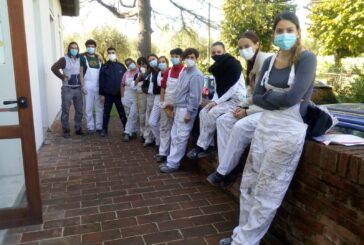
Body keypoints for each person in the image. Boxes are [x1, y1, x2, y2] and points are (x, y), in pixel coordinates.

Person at [219, 11, 317, 245]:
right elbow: (258, 95)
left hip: (287, 132)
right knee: (249, 184)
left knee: (268, 191)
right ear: (273, 35)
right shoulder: (270, 61)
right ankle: (240, 234)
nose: (284, 35)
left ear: (298, 32)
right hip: (265, 127)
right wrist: (273, 98)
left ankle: (244, 242)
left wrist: (268, 98)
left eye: (289, 30)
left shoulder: (306, 59)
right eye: (279, 31)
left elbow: (291, 99)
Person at [207, 31, 270, 187]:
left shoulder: (267, 61)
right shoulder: (250, 64)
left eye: (247, 46)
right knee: (223, 121)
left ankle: (223, 171)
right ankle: (226, 167)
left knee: (240, 127)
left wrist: (247, 111)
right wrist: (242, 106)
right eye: (240, 48)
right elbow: (252, 93)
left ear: (257, 44)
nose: (243, 50)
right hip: (254, 106)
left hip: (269, 109)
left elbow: (270, 97)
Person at [187, 42, 246, 159]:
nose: (216, 54)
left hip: (236, 99)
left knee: (213, 113)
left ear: (224, 51)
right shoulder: (218, 68)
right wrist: (212, 102)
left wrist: (216, 103)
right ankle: (210, 145)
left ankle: (201, 146)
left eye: (219, 52)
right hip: (224, 99)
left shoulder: (233, 66)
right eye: (213, 53)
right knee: (204, 111)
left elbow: (232, 90)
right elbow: (218, 89)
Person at [159, 48, 204, 173]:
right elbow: (179, 91)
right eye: (187, 57)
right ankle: (171, 160)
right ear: (183, 59)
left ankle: (173, 164)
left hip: (187, 110)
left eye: (192, 57)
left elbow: (194, 97)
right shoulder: (184, 71)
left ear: (196, 58)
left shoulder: (196, 75)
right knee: (174, 135)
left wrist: (189, 113)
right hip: (179, 108)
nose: (190, 60)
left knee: (181, 136)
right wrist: (175, 107)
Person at [155, 48, 184, 163]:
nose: (174, 58)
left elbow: (183, 90)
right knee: (164, 127)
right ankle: (163, 153)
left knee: (175, 130)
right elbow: (163, 87)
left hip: (177, 105)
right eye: (172, 56)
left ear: (181, 58)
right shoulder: (168, 71)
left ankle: (172, 155)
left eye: (176, 56)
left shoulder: (184, 71)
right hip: (166, 103)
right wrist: (162, 102)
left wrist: (174, 104)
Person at [51, 41, 84, 138]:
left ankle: (78, 129)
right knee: (65, 110)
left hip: (77, 88)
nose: (74, 50)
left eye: (76, 48)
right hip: (67, 89)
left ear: (78, 50)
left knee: (79, 110)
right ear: (69, 49)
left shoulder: (80, 59)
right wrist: (62, 76)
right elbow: (54, 68)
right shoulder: (64, 59)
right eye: (72, 48)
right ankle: (66, 130)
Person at [99, 47, 127, 137]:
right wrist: (102, 94)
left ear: (116, 53)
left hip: (119, 94)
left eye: (113, 52)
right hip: (108, 94)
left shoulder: (121, 66)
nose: (111, 54)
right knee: (106, 113)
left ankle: (126, 128)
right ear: (107, 54)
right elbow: (101, 81)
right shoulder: (104, 67)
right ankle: (104, 129)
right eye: (109, 52)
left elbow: (125, 80)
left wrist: (124, 94)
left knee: (122, 112)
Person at [80, 39, 103, 134]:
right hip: (88, 85)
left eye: (92, 46)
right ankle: (90, 127)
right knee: (88, 107)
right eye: (89, 46)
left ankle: (99, 126)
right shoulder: (83, 58)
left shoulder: (99, 59)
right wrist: (82, 86)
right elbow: (80, 73)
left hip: (98, 86)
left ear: (95, 47)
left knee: (100, 107)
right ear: (86, 47)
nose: (91, 48)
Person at [148, 56, 169, 148]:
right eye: (159, 62)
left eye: (163, 61)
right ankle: (159, 140)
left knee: (165, 124)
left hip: (168, 99)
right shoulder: (157, 73)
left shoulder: (171, 72)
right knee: (152, 122)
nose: (161, 63)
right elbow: (155, 89)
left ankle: (163, 145)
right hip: (157, 98)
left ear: (167, 63)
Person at [141, 54, 160, 147]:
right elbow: (144, 84)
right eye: (150, 60)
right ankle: (148, 138)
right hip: (149, 97)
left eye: (153, 59)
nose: (152, 61)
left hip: (158, 96)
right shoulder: (148, 73)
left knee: (157, 119)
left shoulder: (161, 71)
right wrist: (145, 89)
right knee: (148, 117)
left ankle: (158, 140)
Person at [121, 58, 139, 141]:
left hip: (136, 95)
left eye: (131, 63)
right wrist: (122, 96)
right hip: (126, 95)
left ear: (134, 62)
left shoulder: (139, 71)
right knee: (128, 114)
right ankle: (134, 131)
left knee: (133, 114)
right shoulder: (126, 73)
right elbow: (122, 84)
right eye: (128, 64)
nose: (130, 65)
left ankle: (127, 132)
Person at [134, 57, 148, 141]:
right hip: (141, 96)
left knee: (149, 115)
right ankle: (142, 133)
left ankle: (149, 134)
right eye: (140, 64)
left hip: (150, 96)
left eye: (144, 64)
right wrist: (139, 78)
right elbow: (134, 85)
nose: (142, 66)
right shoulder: (137, 74)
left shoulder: (151, 73)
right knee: (142, 114)